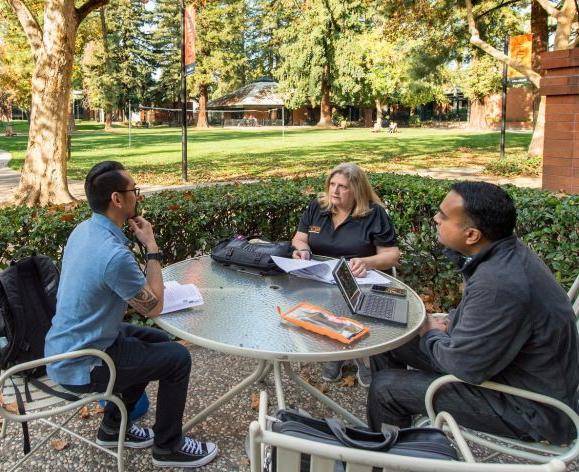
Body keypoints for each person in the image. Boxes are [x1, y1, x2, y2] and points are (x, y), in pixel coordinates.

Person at [367, 181, 579, 445]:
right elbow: (483, 324)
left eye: (443, 216)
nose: (435, 218)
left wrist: (432, 332)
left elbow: (463, 365)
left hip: (531, 408)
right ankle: (403, 433)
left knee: (385, 388)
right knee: (390, 338)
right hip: (506, 371)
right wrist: (449, 323)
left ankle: (386, 458)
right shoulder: (503, 255)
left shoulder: (499, 282)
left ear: (472, 236)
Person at [44, 161, 218, 468]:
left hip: (68, 345)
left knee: (154, 339)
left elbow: (118, 288)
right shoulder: (113, 255)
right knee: (177, 359)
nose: (137, 196)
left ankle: (112, 428)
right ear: (117, 199)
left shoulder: (84, 230)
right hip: (83, 362)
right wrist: (151, 246)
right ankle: (168, 447)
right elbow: (156, 306)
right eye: (133, 190)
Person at [291, 162, 400, 387]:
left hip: (359, 282)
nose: (335, 191)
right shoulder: (317, 208)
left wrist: (367, 262)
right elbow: (299, 237)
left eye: (342, 186)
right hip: (321, 279)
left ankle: (363, 356)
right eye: (332, 184)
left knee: (347, 303)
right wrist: (303, 250)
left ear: (356, 191)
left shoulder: (373, 213)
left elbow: (391, 255)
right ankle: (337, 351)